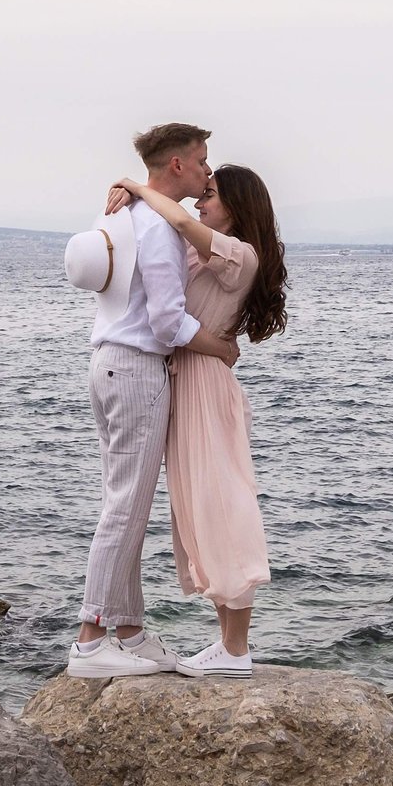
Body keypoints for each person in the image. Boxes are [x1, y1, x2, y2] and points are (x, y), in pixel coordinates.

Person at [66, 122, 234, 679]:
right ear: (178, 166)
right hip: (137, 369)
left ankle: (130, 630)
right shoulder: (160, 228)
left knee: (126, 502)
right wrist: (217, 346)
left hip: (108, 363)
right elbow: (165, 323)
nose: (209, 170)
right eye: (203, 160)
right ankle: (91, 639)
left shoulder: (119, 213)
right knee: (125, 507)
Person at [111, 162, 286, 677]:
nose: (198, 202)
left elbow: (183, 224)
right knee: (196, 509)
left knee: (223, 504)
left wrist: (138, 185)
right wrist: (129, 198)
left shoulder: (240, 255)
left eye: (209, 194)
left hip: (206, 385)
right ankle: (228, 644)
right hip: (184, 379)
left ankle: (236, 648)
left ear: (236, 206)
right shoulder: (205, 249)